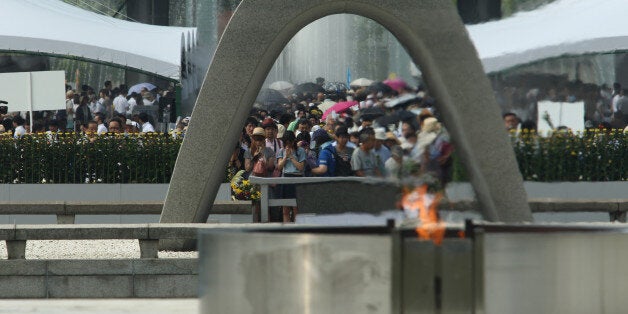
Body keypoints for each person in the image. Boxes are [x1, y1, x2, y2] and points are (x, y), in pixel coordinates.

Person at [244, 127, 276, 222]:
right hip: (253, 182)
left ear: (264, 139)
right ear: (252, 139)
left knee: (266, 206)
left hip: (265, 181)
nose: (258, 141)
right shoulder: (249, 151)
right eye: (256, 138)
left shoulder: (269, 151)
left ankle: (267, 227)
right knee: (255, 207)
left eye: (260, 138)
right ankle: (255, 227)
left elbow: (270, 167)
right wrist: (255, 157)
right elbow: (247, 168)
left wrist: (263, 156)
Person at [276, 131, 306, 222]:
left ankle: (296, 229)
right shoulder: (281, 151)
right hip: (285, 178)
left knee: (296, 208)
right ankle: (286, 229)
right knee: (285, 209)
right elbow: (279, 167)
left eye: (291, 142)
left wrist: (291, 157)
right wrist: (286, 157)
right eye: (286, 142)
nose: (289, 144)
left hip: (297, 178)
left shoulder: (300, 150)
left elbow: (301, 167)